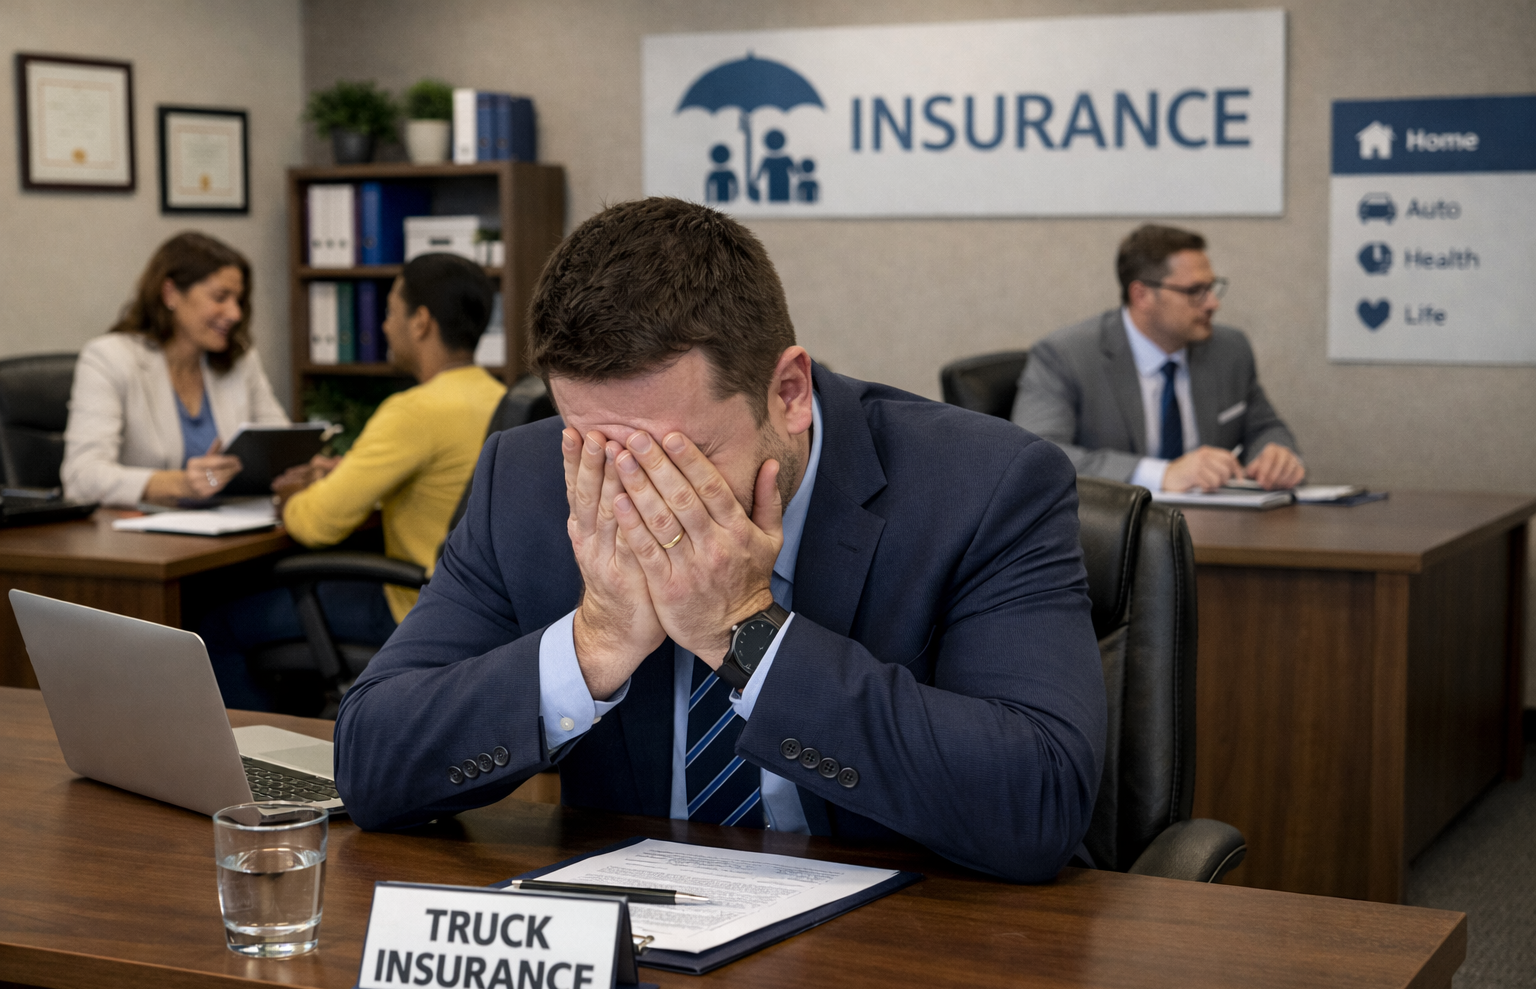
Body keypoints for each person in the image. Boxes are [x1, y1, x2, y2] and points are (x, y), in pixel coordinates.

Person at [334, 198, 1106, 884]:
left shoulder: (987, 485)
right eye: (603, 453)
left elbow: (1036, 804)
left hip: (907, 951)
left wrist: (747, 632)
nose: (643, 500)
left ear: (789, 392)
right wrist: (591, 644)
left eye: (683, 461)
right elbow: (372, 765)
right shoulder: (529, 480)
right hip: (638, 953)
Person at [196, 253, 506, 711]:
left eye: (390, 312)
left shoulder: (414, 410)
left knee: (211, 628)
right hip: (478, 616)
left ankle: (248, 770)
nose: (384, 327)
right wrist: (350, 475)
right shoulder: (497, 397)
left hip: (412, 610)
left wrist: (294, 496)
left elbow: (317, 525)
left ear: (420, 322)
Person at [1012, 224, 1304, 493]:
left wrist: (1275, 452)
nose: (1213, 304)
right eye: (1195, 291)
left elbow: (1264, 427)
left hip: (1216, 529)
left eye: (1211, 288)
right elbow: (1034, 458)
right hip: (1109, 538)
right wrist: (1162, 474)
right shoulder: (1065, 356)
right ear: (1142, 296)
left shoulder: (1229, 350)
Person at [62, 232, 288, 507]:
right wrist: (180, 483)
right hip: (144, 539)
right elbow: (81, 477)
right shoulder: (109, 358)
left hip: (234, 531)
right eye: (220, 297)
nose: (234, 314)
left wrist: (305, 468)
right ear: (170, 294)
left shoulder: (241, 359)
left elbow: (279, 445)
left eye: (238, 300)